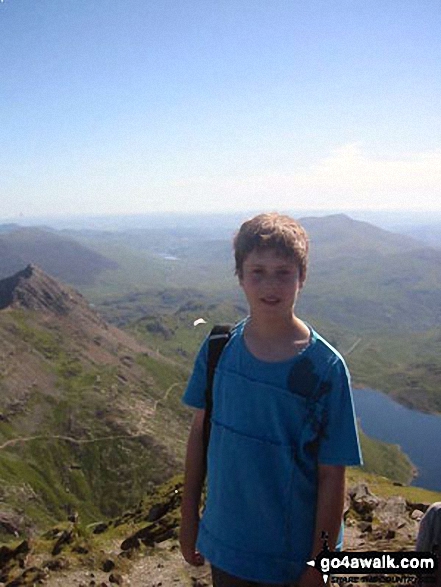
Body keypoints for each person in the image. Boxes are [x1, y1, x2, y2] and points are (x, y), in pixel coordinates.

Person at [179, 212, 362, 586]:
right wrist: (188, 518)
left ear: (302, 277)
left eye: (284, 272)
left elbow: (332, 475)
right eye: (257, 271)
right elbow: (200, 434)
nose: (270, 285)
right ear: (240, 277)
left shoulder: (325, 370)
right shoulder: (218, 350)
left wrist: (321, 563)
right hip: (226, 548)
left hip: (289, 560)